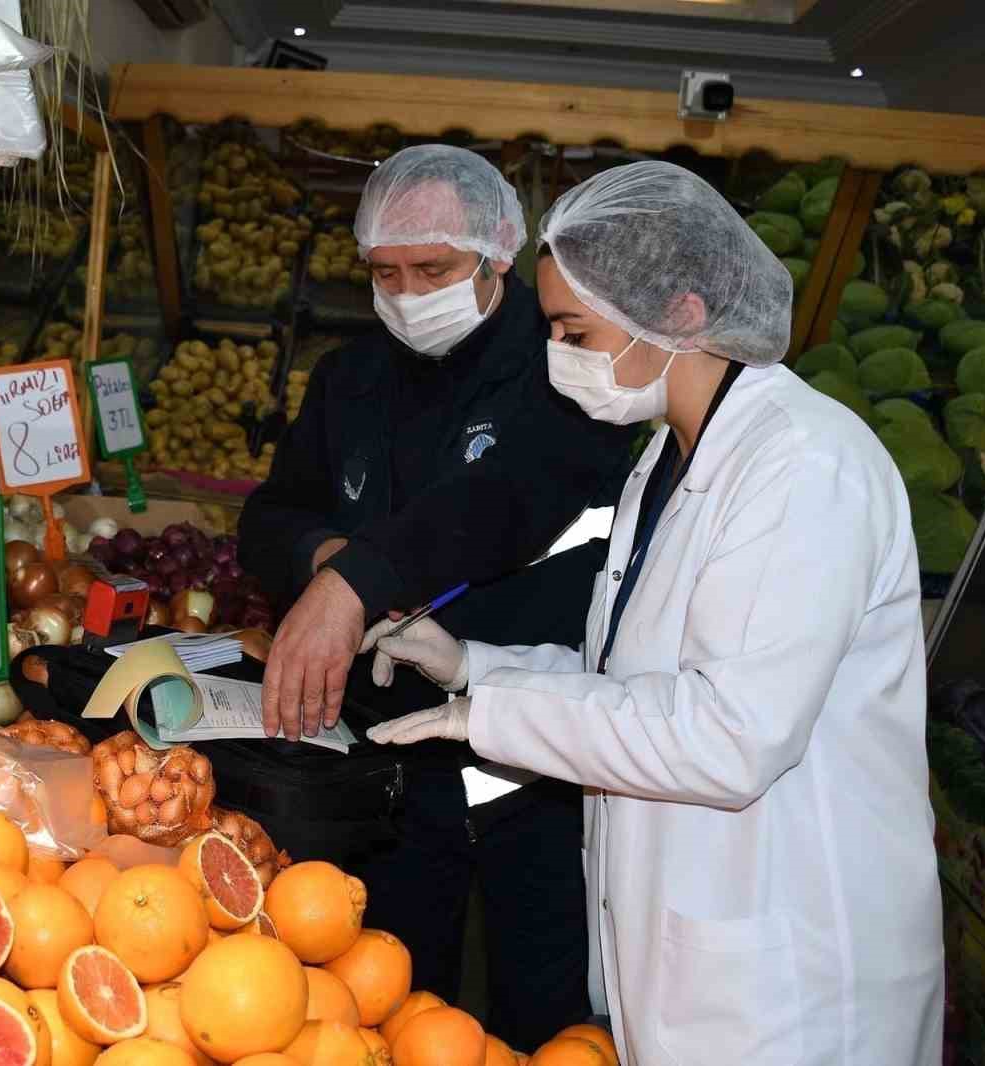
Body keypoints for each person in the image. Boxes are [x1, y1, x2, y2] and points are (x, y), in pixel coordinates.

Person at [366, 160, 944, 1065]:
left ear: (680, 313)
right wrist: (473, 665)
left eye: (576, 332)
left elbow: (728, 734)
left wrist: (491, 717)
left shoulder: (805, 466)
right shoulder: (664, 460)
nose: (559, 356)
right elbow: (630, 683)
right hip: (687, 957)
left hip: (790, 977)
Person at [239, 144, 630, 1048]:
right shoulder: (350, 377)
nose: (409, 294)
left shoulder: (566, 361)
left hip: (535, 751)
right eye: (386, 274)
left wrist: (355, 581)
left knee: (544, 1017)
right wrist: (322, 553)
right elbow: (269, 514)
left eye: (434, 270)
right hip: (381, 754)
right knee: (393, 1004)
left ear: (498, 255)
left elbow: (499, 504)